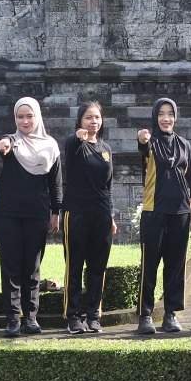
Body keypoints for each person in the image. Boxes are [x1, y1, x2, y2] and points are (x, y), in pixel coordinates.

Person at [0, 97, 62, 337]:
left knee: (32, 267)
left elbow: (55, 183)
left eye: (29, 116)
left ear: (37, 116)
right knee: (10, 266)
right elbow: (5, 143)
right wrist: (4, 144)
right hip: (7, 213)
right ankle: (13, 318)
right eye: (20, 117)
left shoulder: (50, 146)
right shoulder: (13, 142)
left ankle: (30, 317)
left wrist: (56, 211)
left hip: (37, 213)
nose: (25, 121)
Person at [136, 97, 191, 336]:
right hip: (154, 212)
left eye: (170, 114)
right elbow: (142, 146)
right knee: (149, 265)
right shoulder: (150, 142)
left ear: (175, 117)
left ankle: (171, 313)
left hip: (180, 213)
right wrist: (142, 139)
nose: (166, 118)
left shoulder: (184, 144)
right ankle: (145, 314)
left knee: (175, 266)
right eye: (161, 113)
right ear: (155, 116)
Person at [61, 100, 117, 334]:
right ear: (80, 121)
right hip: (76, 213)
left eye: (97, 117)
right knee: (74, 265)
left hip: (101, 214)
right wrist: (79, 137)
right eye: (88, 117)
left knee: (98, 267)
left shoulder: (106, 149)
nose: (93, 121)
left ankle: (94, 315)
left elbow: (108, 186)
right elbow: (72, 147)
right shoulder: (74, 144)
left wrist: (111, 216)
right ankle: (73, 316)